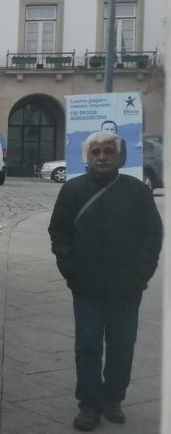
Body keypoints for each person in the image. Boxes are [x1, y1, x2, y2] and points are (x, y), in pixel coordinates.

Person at [47, 130, 162, 431]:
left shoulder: (136, 191)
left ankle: (113, 398)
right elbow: (59, 232)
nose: (102, 157)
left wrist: (142, 272)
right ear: (87, 156)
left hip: (127, 285)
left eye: (108, 152)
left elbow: (152, 234)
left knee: (122, 344)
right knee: (87, 345)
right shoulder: (72, 190)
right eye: (96, 152)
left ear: (118, 156)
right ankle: (88, 403)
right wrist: (70, 268)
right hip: (86, 284)